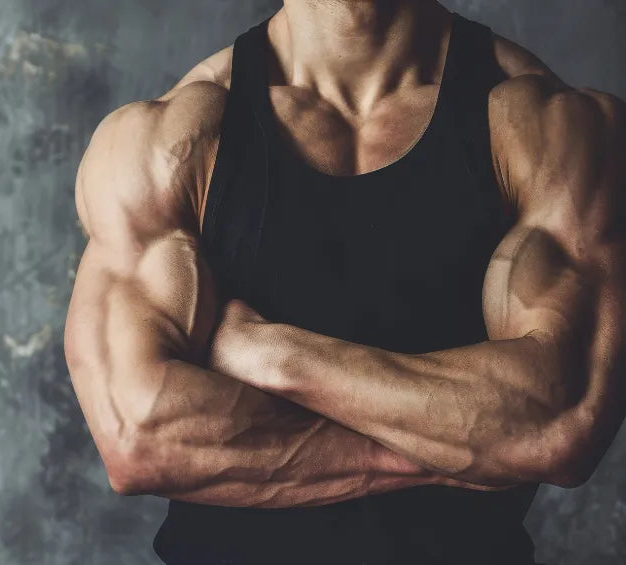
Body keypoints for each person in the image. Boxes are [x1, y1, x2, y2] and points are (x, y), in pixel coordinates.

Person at [63, 1, 626, 563]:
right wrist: (458, 450)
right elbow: (139, 437)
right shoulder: (165, 144)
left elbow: (561, 420)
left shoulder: (555, 131)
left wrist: (276, 356)